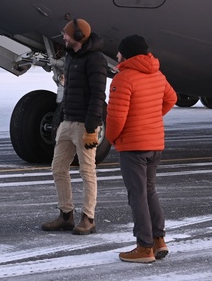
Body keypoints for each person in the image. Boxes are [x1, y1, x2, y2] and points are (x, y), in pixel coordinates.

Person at [106, 34, 177, 263]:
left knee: (137, 196)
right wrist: (152, 118)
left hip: (134, 146)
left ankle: (144, 247)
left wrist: (112, 138)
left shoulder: (123, 78)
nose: (116, 55)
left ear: (125, 54)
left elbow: (116, 119)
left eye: (119, 52)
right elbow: (171, 98)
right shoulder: (157, 74)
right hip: (154, 143)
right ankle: (158, 240)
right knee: (150, 191)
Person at [40, 18, 108, 235]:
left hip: (84, 126)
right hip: (68, 122)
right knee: (58, 168)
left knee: (87, 171)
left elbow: (98, 95)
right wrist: (60, 121)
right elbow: (68, 92)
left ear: (79, 37)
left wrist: (91, 128)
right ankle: (66, 215)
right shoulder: (70, 57)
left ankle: (88, 218)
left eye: (67, 34)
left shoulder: (96, 60)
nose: (64, 37)